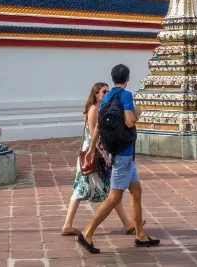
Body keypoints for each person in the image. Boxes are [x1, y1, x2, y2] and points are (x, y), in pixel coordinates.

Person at [77, 64, 160, 254]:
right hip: (124, 153)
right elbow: (130, 121)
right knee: (114, 197)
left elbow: (98, 126)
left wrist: (92, 148)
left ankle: (140, 235)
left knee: (136, 190)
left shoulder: (106, 97)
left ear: (113, 78)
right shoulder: (125, 95)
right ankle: (87, 233)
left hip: (118, 151)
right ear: (127, 78)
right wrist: (137, 114)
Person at [60, 82, 137, 236]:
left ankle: (127, 224)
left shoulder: (101, 108)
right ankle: (68, 225)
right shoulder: (94, 110)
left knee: (109, 189)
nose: (106, 93)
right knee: (89, 189)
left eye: (107, 91)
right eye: (103, 91)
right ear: (96, 94)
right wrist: (103, 155)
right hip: (93, 153)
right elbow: (93, 134)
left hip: (96, 152)